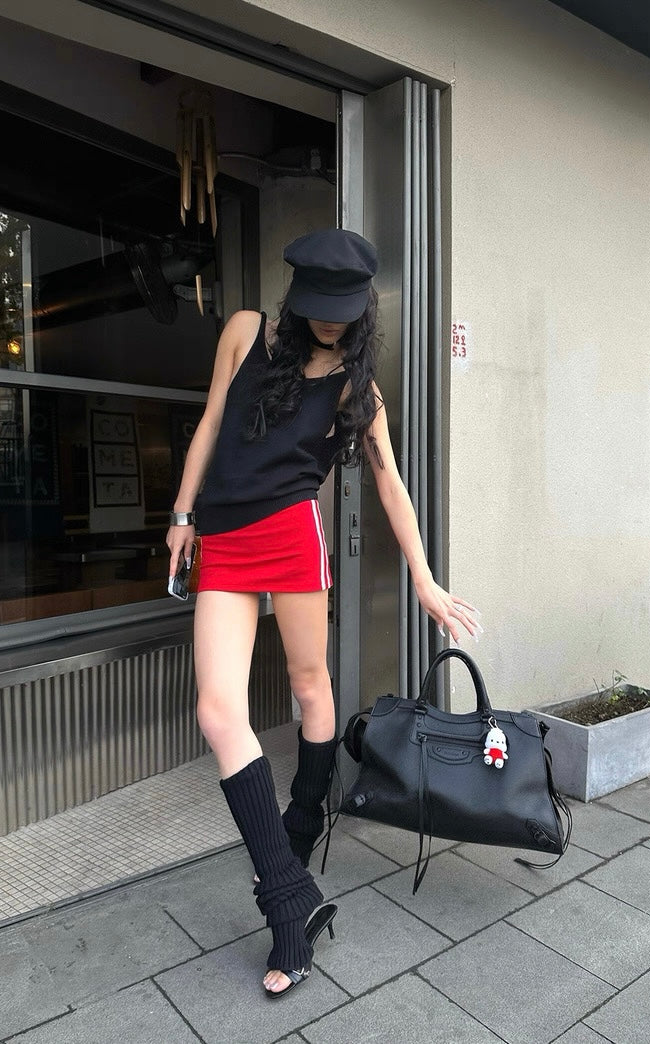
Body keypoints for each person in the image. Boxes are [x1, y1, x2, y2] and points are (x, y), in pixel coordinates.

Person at [166, 228, 478, 998]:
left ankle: (300, 834)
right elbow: (210, 424)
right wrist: (181, 515)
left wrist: (424, 578)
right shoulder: (245, 331)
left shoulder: (353, 386)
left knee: (311, 689)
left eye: (345, 309)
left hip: (291, 537)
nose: (332, 322)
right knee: (216, 711)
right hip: (224, 538)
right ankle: (291, 893)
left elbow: (390, 484)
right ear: (296, 293)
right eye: (320, 306)